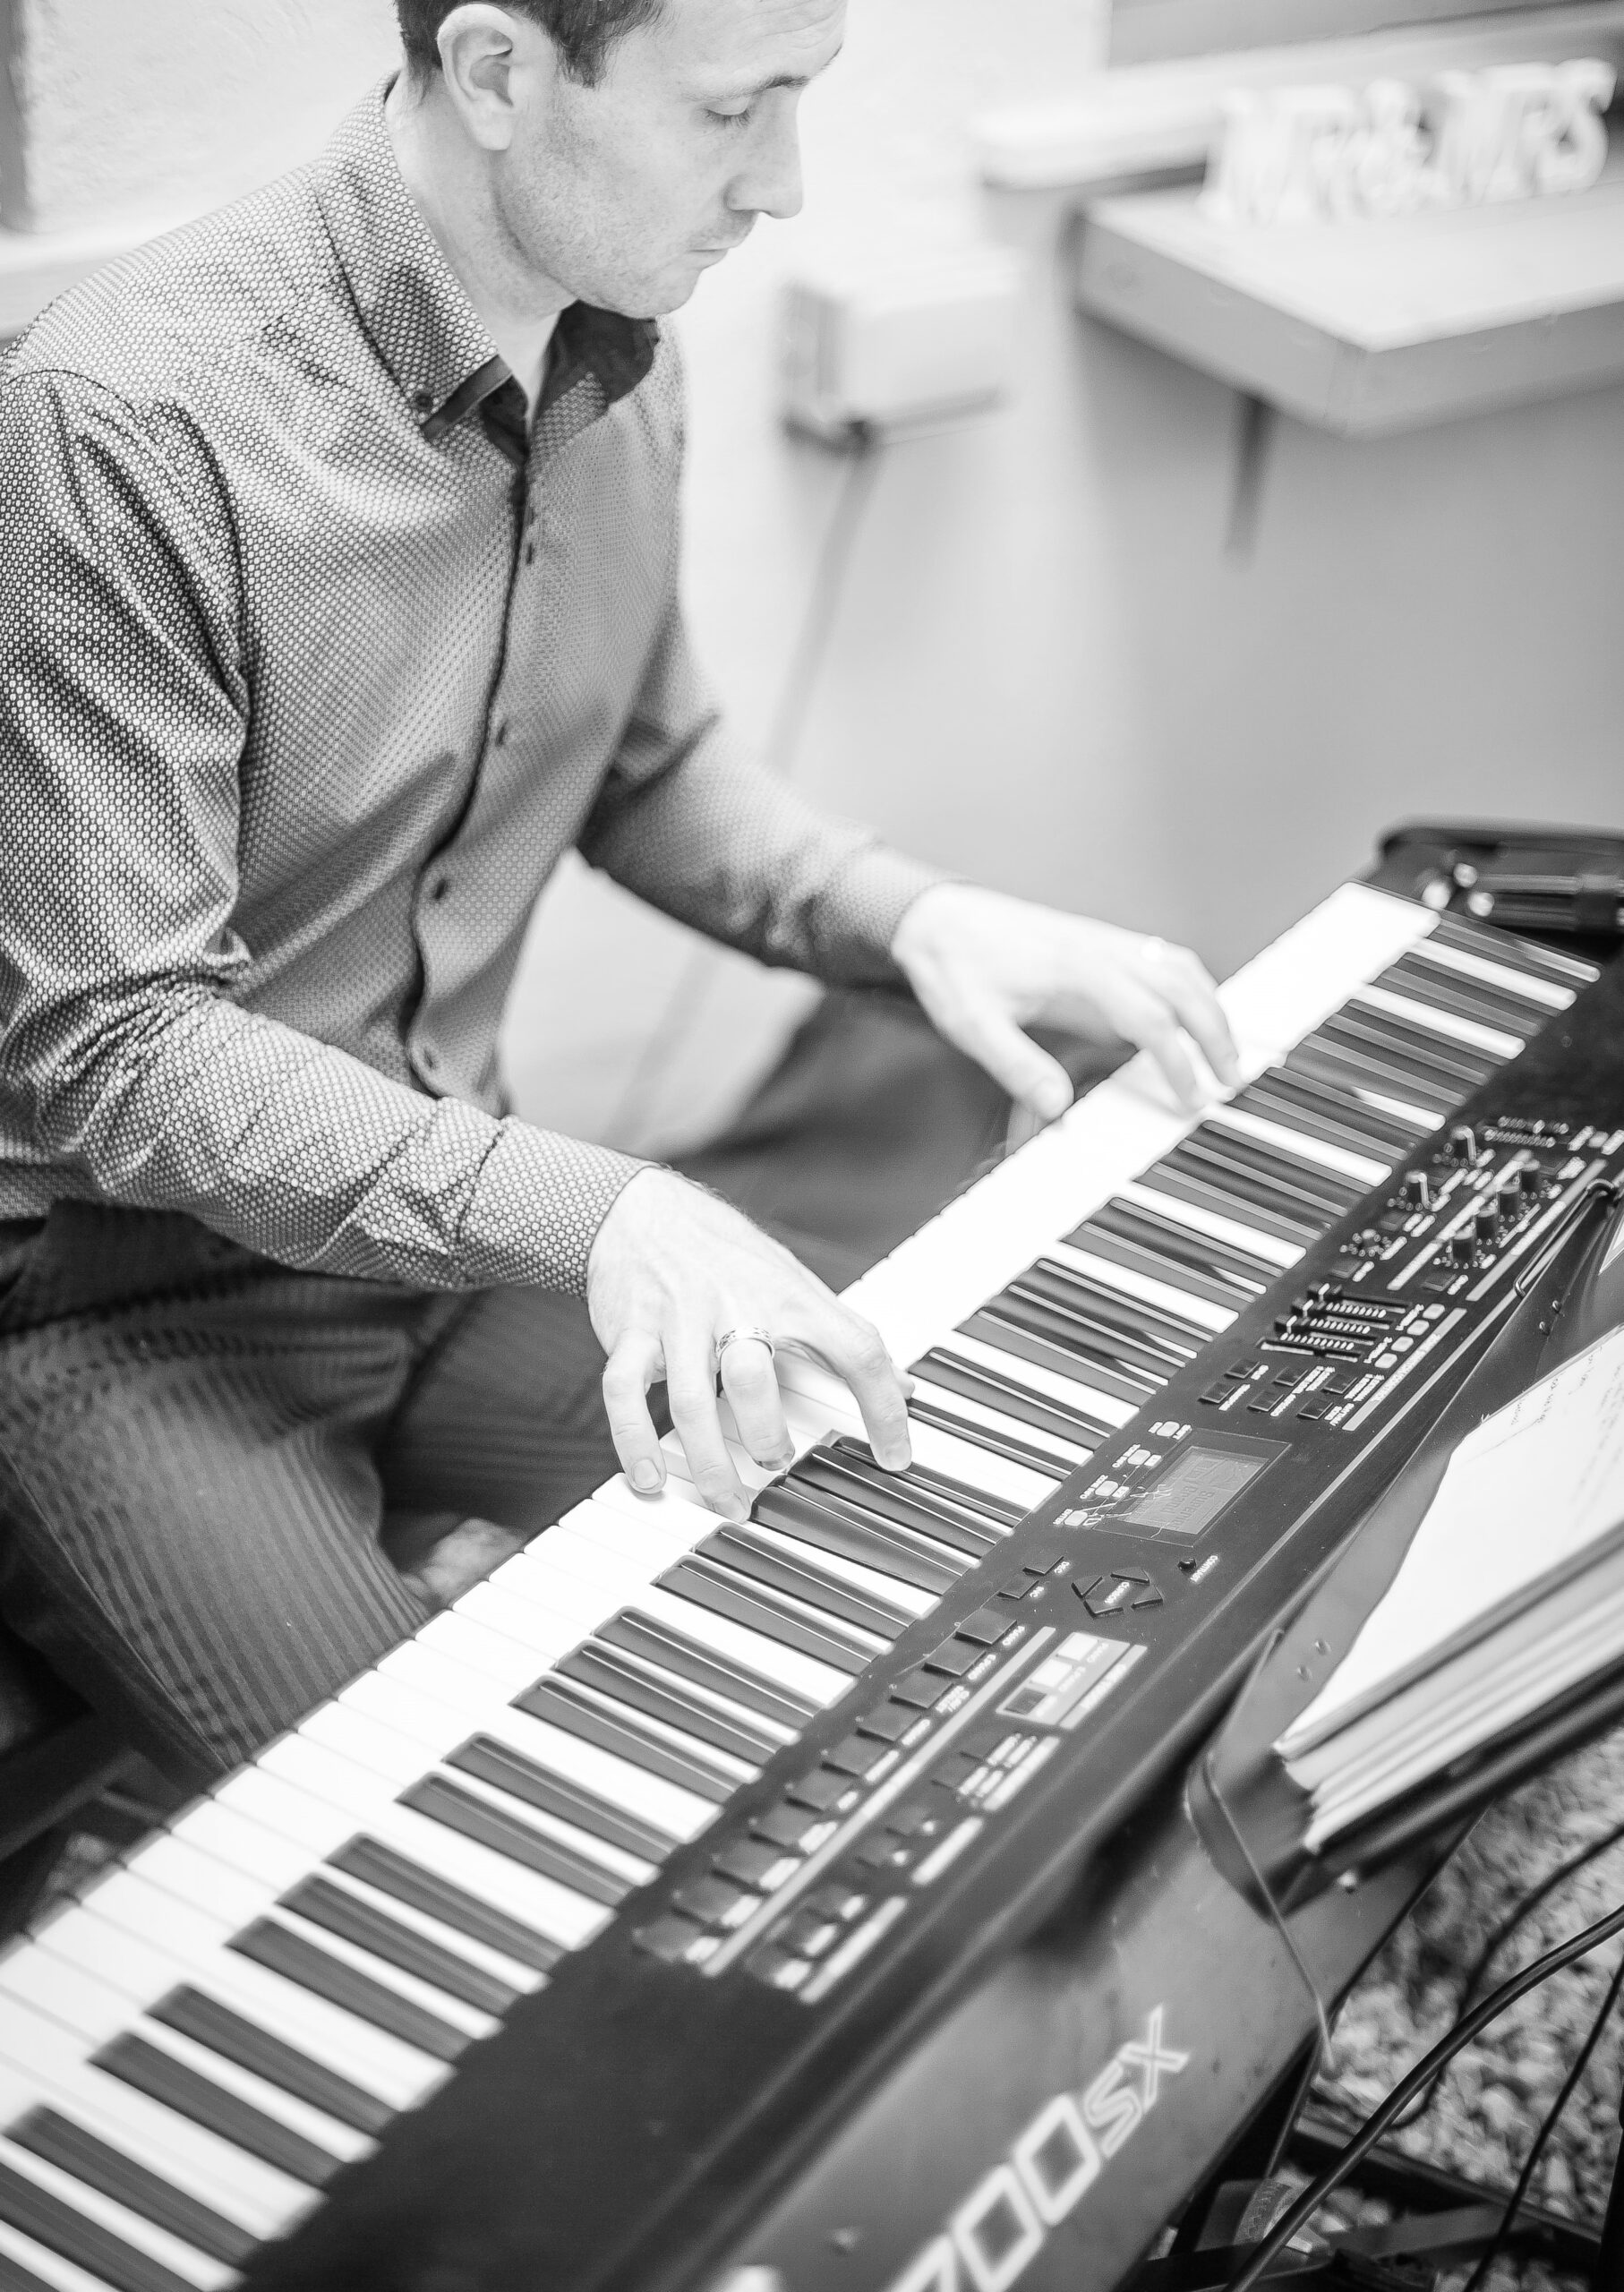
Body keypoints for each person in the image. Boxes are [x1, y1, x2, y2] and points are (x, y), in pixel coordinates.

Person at [0, 0, 1239, 1790]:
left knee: (919, 1583)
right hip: (124, 1316)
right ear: (501, 71)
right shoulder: (121, 417)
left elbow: (642, 767)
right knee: (466, 1849)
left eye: (800, 101)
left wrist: (905, 917)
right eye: (732, 110)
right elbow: (110, 1048)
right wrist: (602, 1209)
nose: (787, 185)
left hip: (447, 1243)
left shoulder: (623, 335)